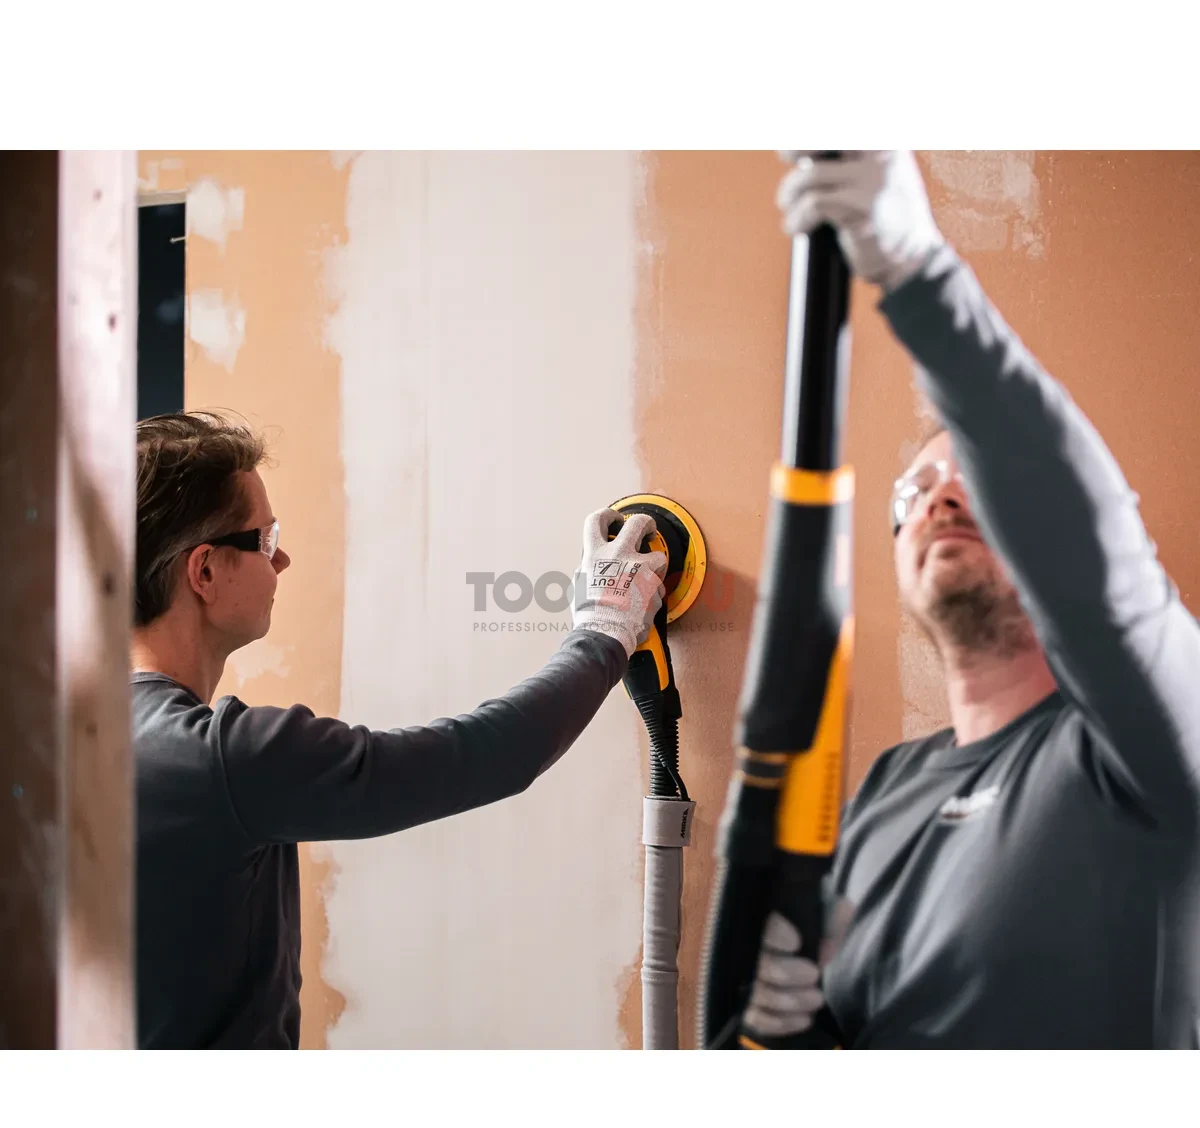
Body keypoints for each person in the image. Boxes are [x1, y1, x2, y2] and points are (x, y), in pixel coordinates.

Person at [744, 151, 1200, 1049]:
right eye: (916, 492)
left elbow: (1100, 577)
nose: (940, 501)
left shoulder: (1145, 739)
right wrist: (801, 1032)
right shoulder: (886, 789)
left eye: (973, 485)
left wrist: (920, 274)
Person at [131, 413, 666, 1049]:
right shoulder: (224, 760)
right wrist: (605, 628)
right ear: (204, 572)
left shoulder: (66, 738)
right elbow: (488, 754)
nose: (283, 559)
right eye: (265, 539)